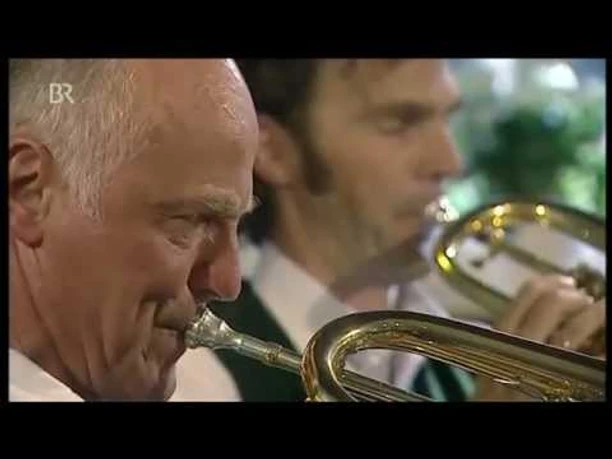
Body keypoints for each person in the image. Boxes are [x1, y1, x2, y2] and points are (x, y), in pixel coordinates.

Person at [178, 58, 605, 402]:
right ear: (273, 151)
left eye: (446, 119)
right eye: (401, 123)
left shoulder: (459, 350)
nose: (449, 162)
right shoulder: (194, 372)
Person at [8, 58, 259, 402]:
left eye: (238, 225)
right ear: (28, 191)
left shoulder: (207, 387)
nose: (228, 284)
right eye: (190, 221)